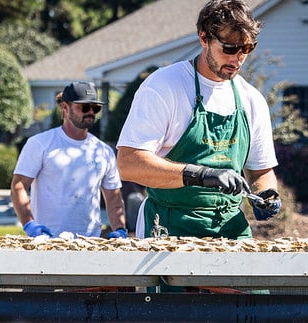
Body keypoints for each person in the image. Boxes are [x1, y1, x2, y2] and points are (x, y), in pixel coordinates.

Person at [117, 0, 281, 240]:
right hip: (169, 227)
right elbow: (129, 164)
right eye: (228, 48)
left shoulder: (251, 99)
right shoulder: (164, 86)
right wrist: (200, 175)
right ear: (204, 38)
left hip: (230, 230)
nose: (237, 58)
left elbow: (260, 172)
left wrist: (267, 194)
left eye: (246, 49)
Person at [11, 81, 127, 238]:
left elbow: (113, 196)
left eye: (95, 108)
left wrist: (120, 229)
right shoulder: (40, 144)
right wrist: (29, 224)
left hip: (90, 242)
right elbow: (19, 186)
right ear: (65, 107)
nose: (91, 112)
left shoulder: (103, 150)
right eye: (84, 107)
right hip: (47, 242)